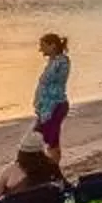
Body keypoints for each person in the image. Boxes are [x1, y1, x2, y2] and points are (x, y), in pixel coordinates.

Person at [32, 32, 71, 160]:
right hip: (47, 109)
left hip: (55, 107)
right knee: (43, 140)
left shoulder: (61, 61)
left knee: (51, 142)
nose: (40, 49)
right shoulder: (54, 61)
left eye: (43, 46)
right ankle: (48, 169)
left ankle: (53, 170)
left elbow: (50, 80)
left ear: (53, 46)